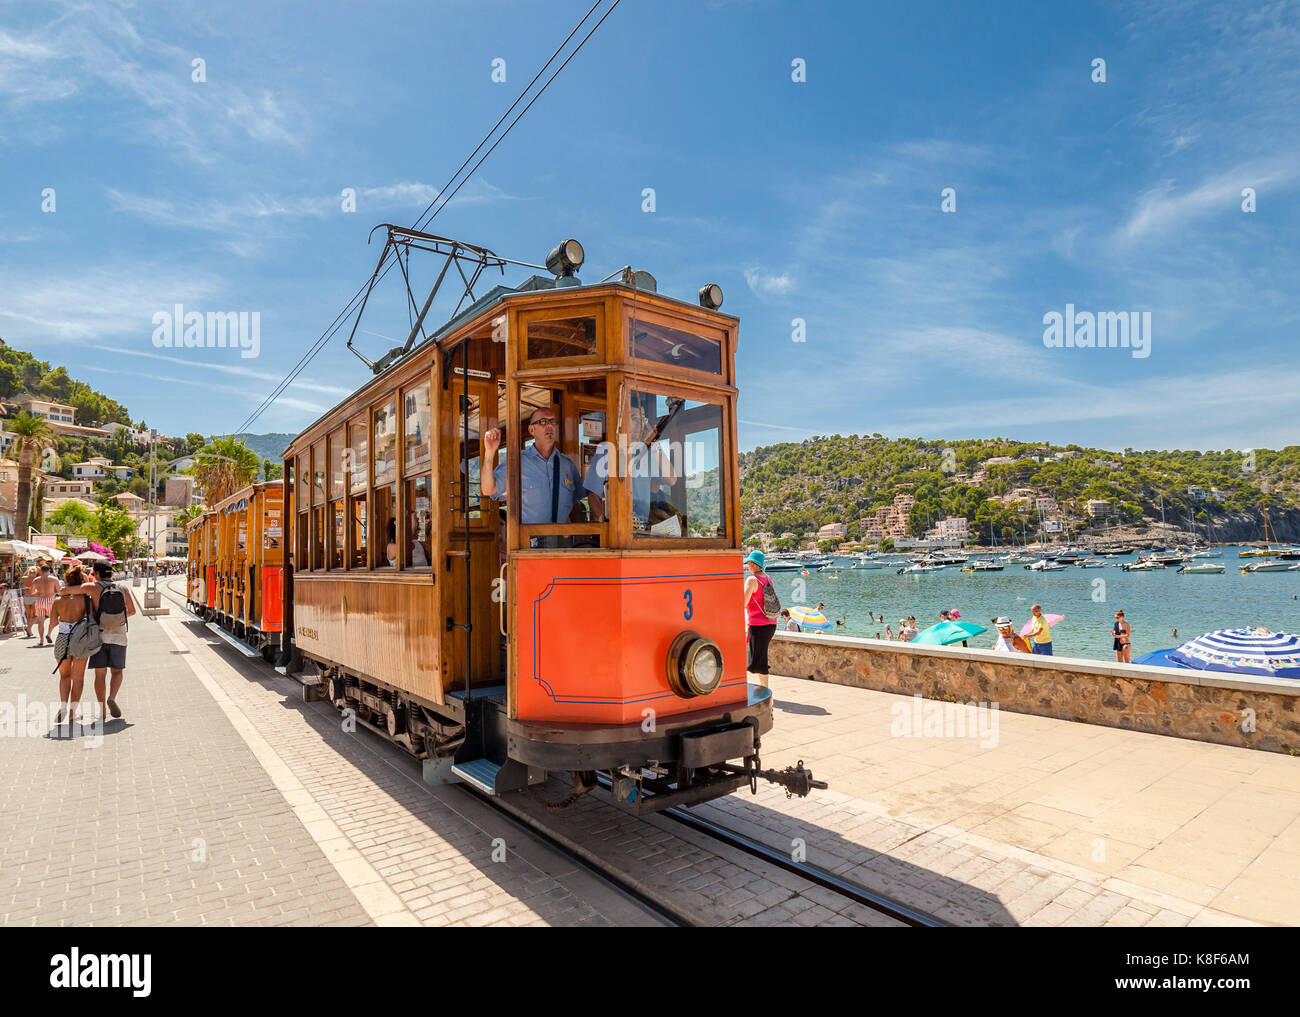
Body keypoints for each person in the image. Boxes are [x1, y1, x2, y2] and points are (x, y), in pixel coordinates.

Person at [482, 406, 584, 535]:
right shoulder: (517, 462)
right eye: (542, 422)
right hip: (527, 544)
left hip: (561, 544)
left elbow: (575, 506)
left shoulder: (567, 465)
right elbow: (488, 489)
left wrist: (584, 539)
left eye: (553, 422)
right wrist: (489, 453)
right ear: (531, 430)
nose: (549, 426)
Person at [583, 402, 677, 529]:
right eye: (634, 418)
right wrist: (606, 526)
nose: (640, 424)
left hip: (642, 529)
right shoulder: (606, 451)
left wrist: (655, 444)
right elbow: (593, 496)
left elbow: (671, 479)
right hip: (616, 529)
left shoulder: (648, 452)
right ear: (622, 421)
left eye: (642, 418)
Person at [85, 560, 136, 720]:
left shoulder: (94, 588)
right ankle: (112, 697)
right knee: (117, 671)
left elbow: (66, 590)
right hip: (119, 635)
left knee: (100, 674)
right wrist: (117, 618)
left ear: (97, 573)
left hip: (99, 636)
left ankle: (102, 711)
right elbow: (132, 611)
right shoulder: (123, 588)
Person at [50, 565, 94, 726]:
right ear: (82, 581)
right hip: (80, 641)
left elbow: (54, 622)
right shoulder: (86, 600)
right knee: (78, 678)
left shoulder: (57, 601)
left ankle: (63, 705)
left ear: (66, 580)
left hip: (62, 639)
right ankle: (72, 712)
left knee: (64, 676)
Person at [742, 550, 778, 690]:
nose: (748, 565)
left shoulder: (752, 580)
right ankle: (763, 688)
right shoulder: (767, 578)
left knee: (759, 660)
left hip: (758, 626)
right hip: (770, 624)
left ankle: (765, 691)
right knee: (760, 657)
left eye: (749, 563)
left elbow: (743, 603)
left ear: (754, 564)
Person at [31, 563, 60, 646]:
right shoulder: (54, 579)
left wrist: (38, 593)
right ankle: (49, 633)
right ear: (49, 570)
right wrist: (53, 592)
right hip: (50, 601)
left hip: (40, 601)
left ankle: (41, 640)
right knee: (54, 620)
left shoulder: (36, 580)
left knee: (40, 622)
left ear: (40, 570)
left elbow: (32, 593)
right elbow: (59, 591)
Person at [21, 566, 39, 638]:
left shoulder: (25, 578)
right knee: (35, 615)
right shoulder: (36, 579)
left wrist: (27, 570)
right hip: (33, 596)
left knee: (29, 615)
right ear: (35, 572)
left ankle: (29, 631)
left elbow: (23, 576)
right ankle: (29, 628)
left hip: (26, 597)